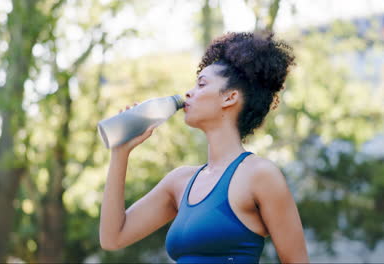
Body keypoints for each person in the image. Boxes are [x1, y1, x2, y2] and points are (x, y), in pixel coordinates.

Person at [99, 31, 309, 263]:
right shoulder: (179, 181)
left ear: (229, 97)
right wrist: (120, 153)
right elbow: (112, 238)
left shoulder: (260, 175)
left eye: (201, 84)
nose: (189, 92)